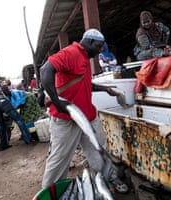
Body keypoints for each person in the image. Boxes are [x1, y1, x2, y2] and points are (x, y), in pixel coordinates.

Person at [39, 28, 129, 193]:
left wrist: (105, 89)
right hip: (66, 118)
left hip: (87, 116)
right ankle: (49, 192)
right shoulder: (71, 52)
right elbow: (45, 70)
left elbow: (83, 84)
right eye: (99, 46)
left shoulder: (86, 58)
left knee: (100, 150)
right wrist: (57, 102)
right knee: (59, 159)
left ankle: (108, 179)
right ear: (89, 42)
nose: (101, 50)